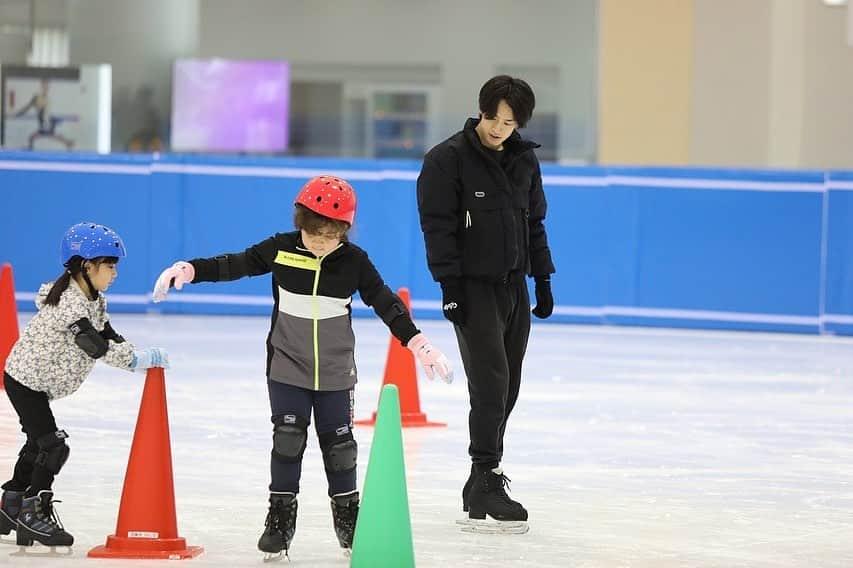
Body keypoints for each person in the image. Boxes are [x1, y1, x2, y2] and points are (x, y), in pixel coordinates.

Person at [151, 175, 453, 558]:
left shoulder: (353, 262)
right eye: (314, 233)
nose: (321, 242)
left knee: (340, 447)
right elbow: (237, 263)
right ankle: (280, 518)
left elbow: (385, 302)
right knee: (288, 438)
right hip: (287, 365)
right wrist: (191, 269)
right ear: (301, 223)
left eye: (331, 235)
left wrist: (417, 343)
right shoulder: (281, 249)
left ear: (345, 230)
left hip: (335, 370)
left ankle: (349, 519)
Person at [416, 75, 555, 528]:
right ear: (480, 111)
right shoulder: (446, 160)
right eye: (494, 118)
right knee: (491, 384)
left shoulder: (524, 161)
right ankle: (487, 475)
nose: (499, 129)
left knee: (508, 385)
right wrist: (450, 290)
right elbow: (438, 230)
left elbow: (533, 223)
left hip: (514, 287)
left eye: (510, 122)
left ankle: (481, 482)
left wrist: (543, 279)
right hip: (473, 290)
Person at [0, 222, 170, 547]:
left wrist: (137, 353)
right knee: (53, 446)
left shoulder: (94, 300)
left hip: (35, 382)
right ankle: (32, 513)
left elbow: (109, 335)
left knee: (39, 443)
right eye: (109, 266)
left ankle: (10, 505)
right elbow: (94, 345)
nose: (114, 274)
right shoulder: (70, 302)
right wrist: (134, 362)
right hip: (25, 381)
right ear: (86, 266)